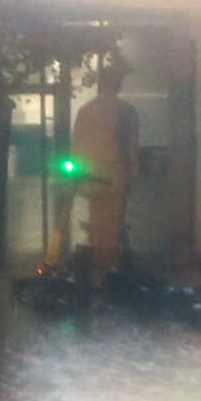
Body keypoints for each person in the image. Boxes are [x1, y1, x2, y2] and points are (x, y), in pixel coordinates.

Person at [68, 61, 141, 274]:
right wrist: (133, 172)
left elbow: (76, 145)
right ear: (117, 84)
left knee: (97, 222)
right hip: (116, 176)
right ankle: (109, 271)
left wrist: (76, 174)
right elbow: (131, 147)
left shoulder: (85, 110)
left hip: (90, 177)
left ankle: (96, 268)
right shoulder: (126, 111)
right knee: (114, 225)